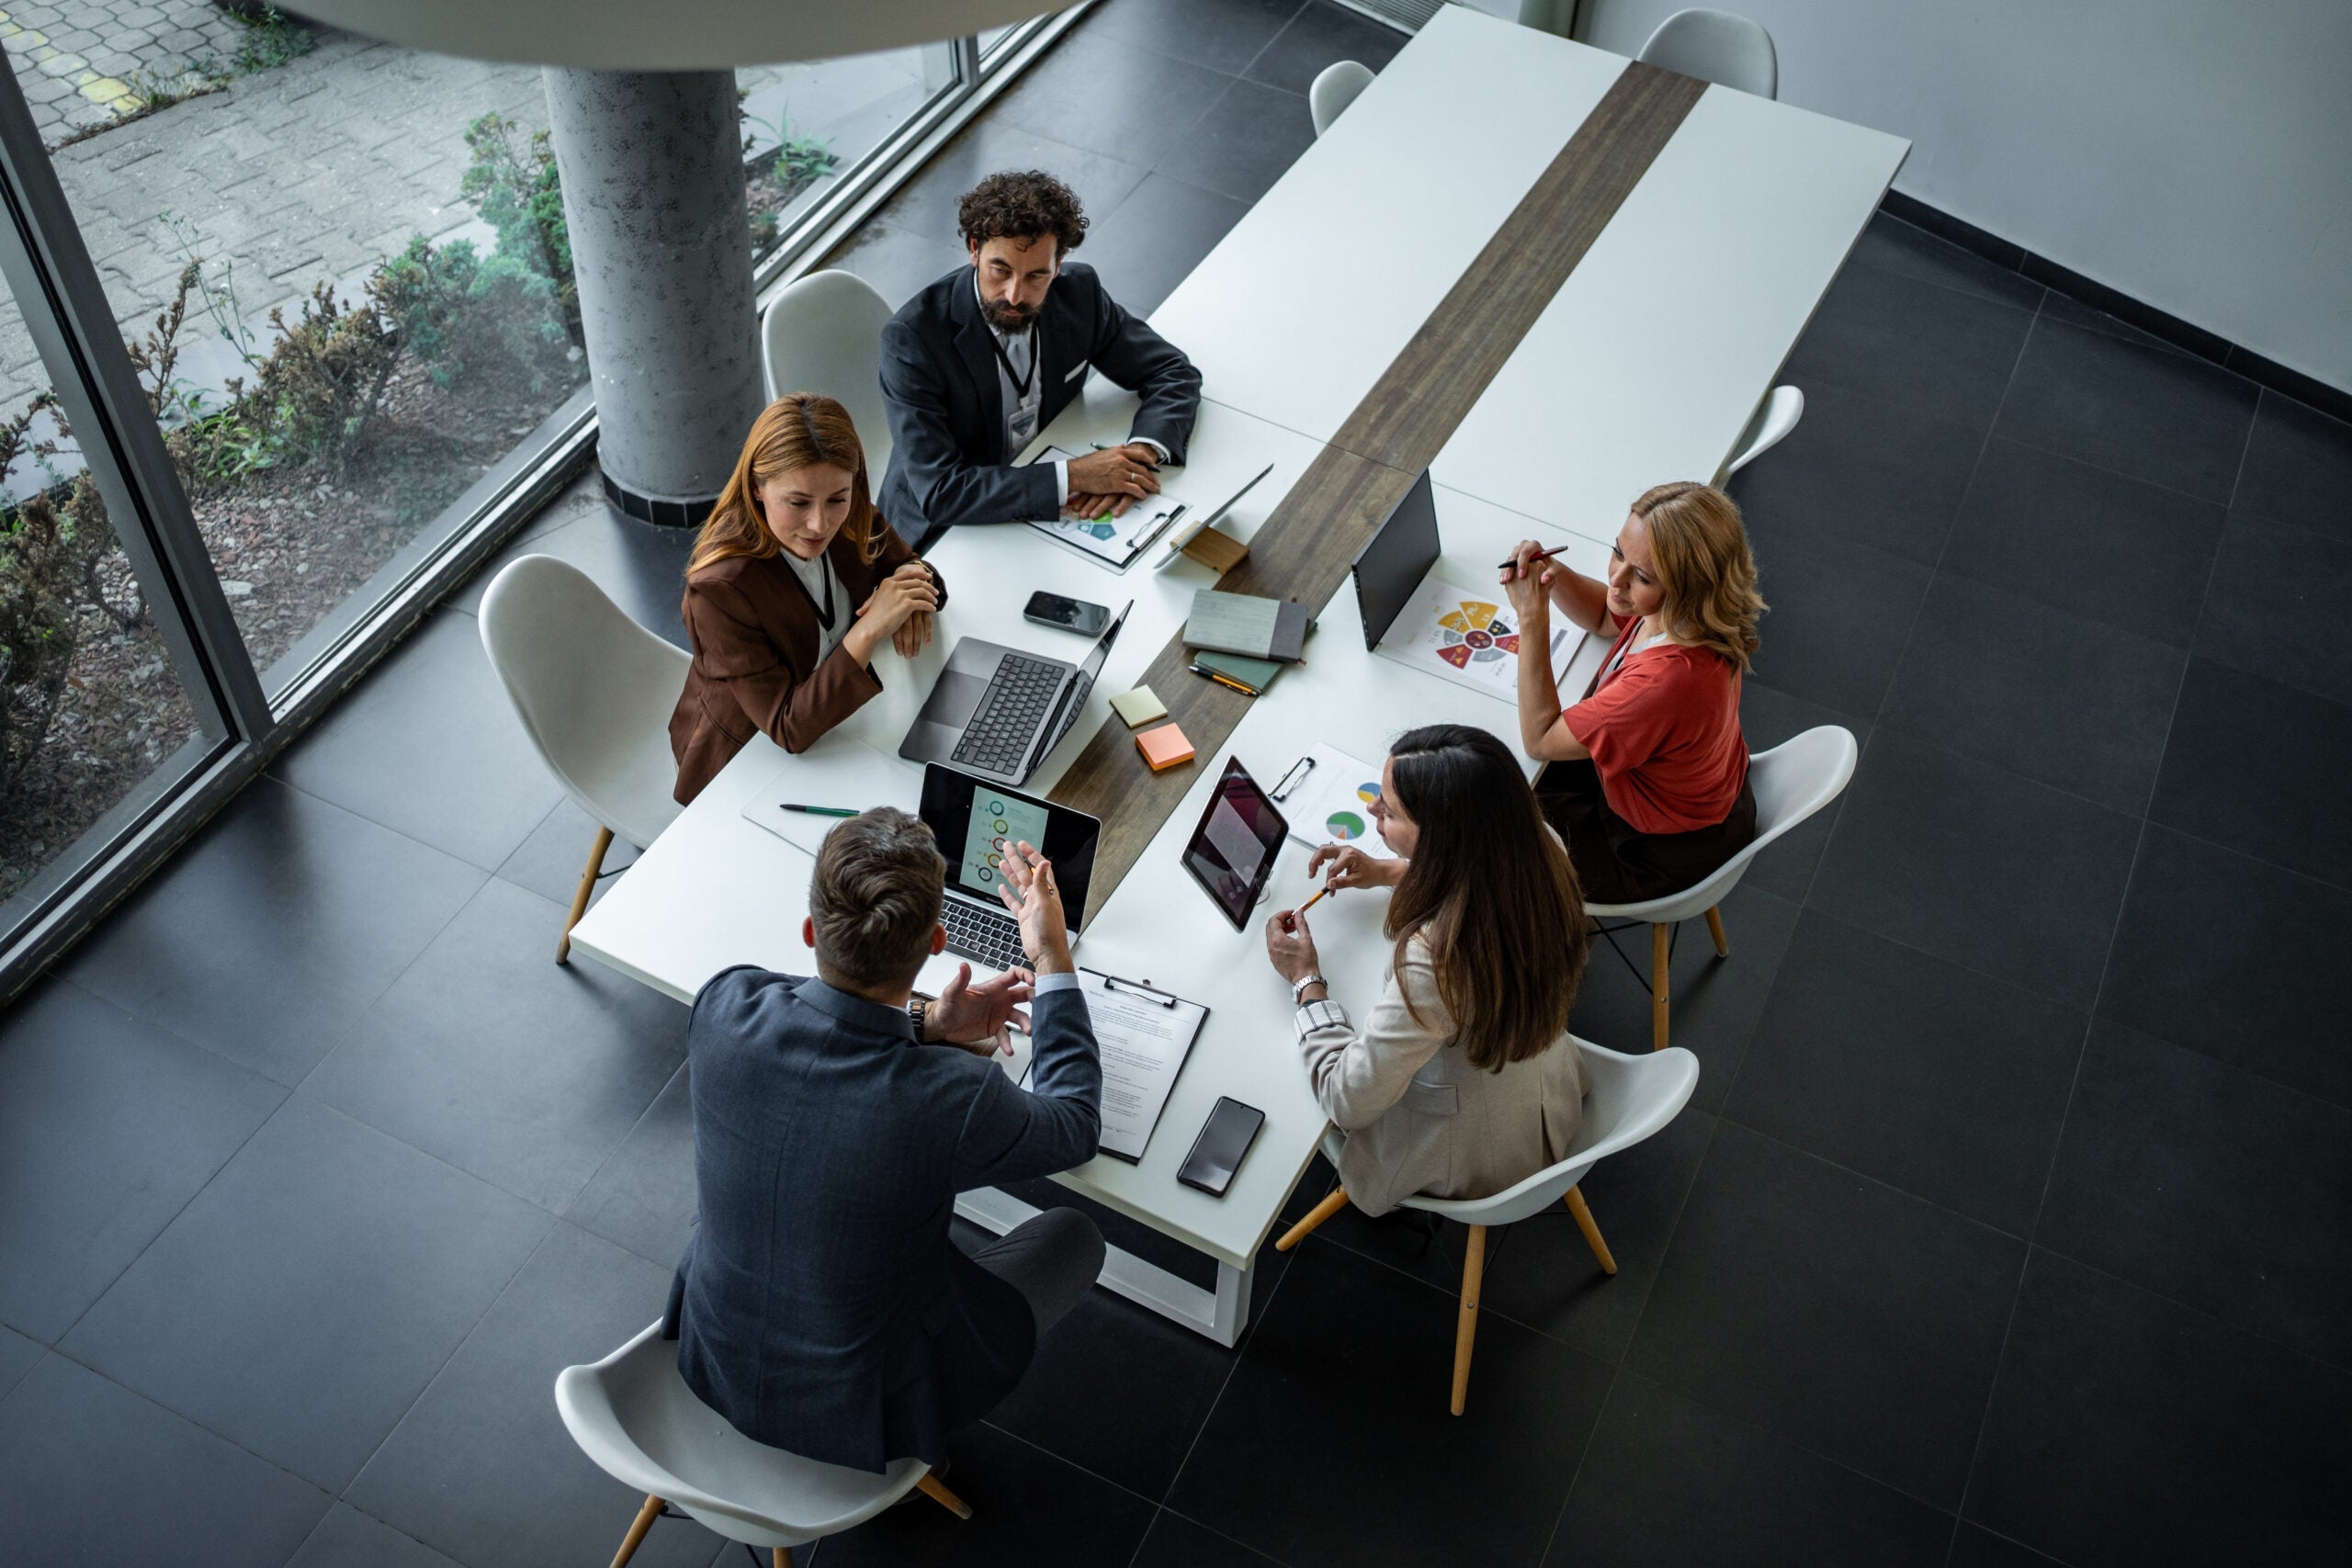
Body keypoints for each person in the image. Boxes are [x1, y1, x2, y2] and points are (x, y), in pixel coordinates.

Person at [662, 807, 1104, 1474]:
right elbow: (1075, 1125)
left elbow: (813, 1008)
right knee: (1075, 1236)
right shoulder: (955, 1097)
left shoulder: (724, 1003)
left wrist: (925, 1020)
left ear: (812, 929)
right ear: (936, 941)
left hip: (713, 1350)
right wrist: (1052, 960)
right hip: (862, 1404)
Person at [1261, 725, 1589, 1218]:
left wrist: (1307, 982)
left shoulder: (1436, 962)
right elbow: (1476, 869)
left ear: (1441, 838)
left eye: (1389, 812)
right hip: (1543, 1091)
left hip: (1474, 1151)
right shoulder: (1540, 850)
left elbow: (1346, 1099)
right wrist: (1390, 869)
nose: (1373, 811)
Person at [876, 169, 1202, 547]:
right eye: (1000, 271)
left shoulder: (1079, 295)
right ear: (974, 249)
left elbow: (1171, 370)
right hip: (947, 532)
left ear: (1059, 261)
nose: (1015, 295)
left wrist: (1138, 457)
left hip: (1044, 497)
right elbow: (940, 492)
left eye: (1036, 277)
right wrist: (1074, 476)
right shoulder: (913, 338)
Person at [668, 394, 945, 804]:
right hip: (748, 759)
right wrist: (871, 627)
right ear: (757, 488)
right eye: (797, 502)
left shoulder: (849, 515)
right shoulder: (718, 590)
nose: (820, 523)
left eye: (838, 498)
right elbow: (787, 728)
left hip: (840, 719)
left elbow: (919, 572)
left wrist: (909, 586)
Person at [1501, 481, 1765, 905]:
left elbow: (1541, 737)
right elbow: (1607, 617)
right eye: (1618, 552)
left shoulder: (1665, 682)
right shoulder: (1687, 617)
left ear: (1688, 588)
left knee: (1489, 824)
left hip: (1655, 854)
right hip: (1694, 799)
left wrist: (1533, 616)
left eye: (1641, 576)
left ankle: (1540, 938)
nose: (1616, 579)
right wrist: (1552, 572)